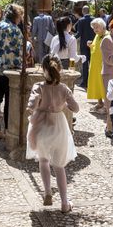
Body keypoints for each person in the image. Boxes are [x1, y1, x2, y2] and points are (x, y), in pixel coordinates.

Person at [26, 55, 79, 212]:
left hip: (41, 125)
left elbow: (32, 104)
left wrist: (34, 107)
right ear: (59, 70)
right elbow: (75, 108)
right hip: (58, 126)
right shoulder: (63, 88)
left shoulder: (38, 86)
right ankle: (64, 202)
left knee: (43, 161)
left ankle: (47, 191)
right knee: (59, 165)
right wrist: (65, 105)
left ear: (43, 70)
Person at [0, 4, 24, 139]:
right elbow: (20, 51)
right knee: (10, 101)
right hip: (9, 70)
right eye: (20, 16)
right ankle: (9, 130)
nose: (21, 19)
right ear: (16, 16)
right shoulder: (15, 30)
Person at [86, 18, 108, 111]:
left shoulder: (107, 36)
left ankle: (107, 105)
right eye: (94, 28)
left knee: (104, 85)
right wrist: (90, 45)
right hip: (95, 65)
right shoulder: (97, 35)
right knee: (97, 84)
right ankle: (99, 103)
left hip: (103, 65)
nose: (95, 29)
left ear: (103, 26)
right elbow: (95, 49)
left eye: (97, 27)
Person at [73, 6, 95, 89]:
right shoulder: (94, 19)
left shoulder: (81, 20)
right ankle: (92, 82)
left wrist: (71, 38)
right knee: (93, 64)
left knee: (85, 64)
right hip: (93, 44)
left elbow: (79, 34)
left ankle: (85, 82)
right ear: (89, 11)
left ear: (83, 11)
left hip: (84, 45)